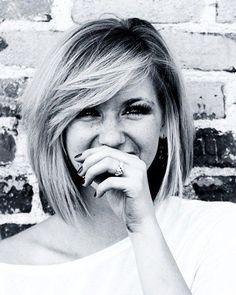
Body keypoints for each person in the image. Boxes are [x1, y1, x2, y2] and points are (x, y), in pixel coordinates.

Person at [0, 17, 235, 295]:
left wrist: (142, 227)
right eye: (87, 112)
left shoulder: (218, 232)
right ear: (58, 125)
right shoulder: (9, 270)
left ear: (165, 122)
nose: (111, 138)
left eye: (134, 110)